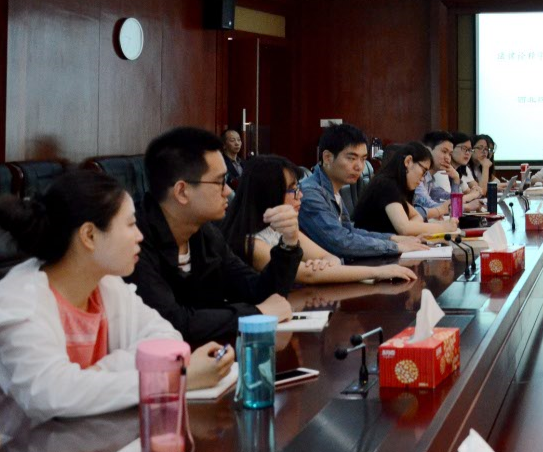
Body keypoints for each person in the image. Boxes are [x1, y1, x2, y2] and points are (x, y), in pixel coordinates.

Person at [0, 170, 232, 423]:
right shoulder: (20, 302)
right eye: (131, 224)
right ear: (89, 236)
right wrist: (172, 378)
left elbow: (167, 338)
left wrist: (95, 375)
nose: (140, 236)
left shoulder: (106, 285)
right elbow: (52, 395)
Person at [128, 127, 302, 346]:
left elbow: (260, 292)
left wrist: (289, 244)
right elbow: (173, 322)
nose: (227, 191)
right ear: (182, 191)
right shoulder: (133, 240)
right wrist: (256, 313)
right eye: (220, 182)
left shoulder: (205, 233)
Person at [223, 155, 416, 285]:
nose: (300, 196)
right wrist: (378, 272)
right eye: (292, 190)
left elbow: (329, 257)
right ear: (269, 194)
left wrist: (323, 265)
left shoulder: (281, 228)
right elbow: (306, 274)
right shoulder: (251, 243)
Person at [298, 124, 428, 258]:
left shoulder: (333, 188)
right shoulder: (311, 193)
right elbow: (340, 242)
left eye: (363, 159)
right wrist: (395, 246)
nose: (359, 166)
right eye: (352, 158)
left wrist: (393, 239)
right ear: (327, 157)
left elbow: (349, 231)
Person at [354, 143, 458, 236]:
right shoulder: (386, 184)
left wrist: (411, 229)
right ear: (408, 161)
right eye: (423, 171)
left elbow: (416, 216)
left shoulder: (397, 186)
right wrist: (443, 227)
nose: (422, 179)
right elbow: (404, 228)